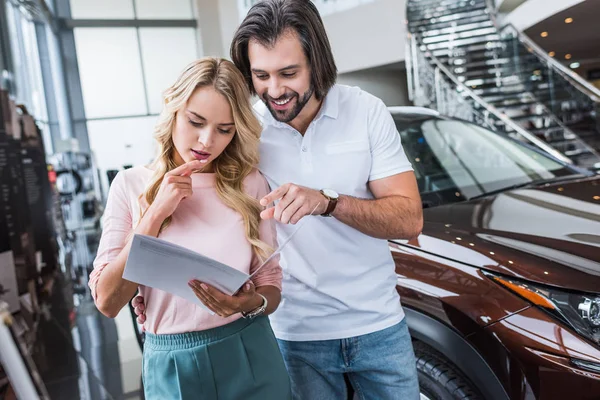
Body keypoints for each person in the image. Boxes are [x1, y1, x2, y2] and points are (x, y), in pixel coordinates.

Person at [136, 0, 424, 398]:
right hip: (293, 335)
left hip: (378, 325)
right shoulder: (244, 130)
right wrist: (152, 287)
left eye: (289, 73)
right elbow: (200, 200)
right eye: (261, 75)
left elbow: (409, 219)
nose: (275, 90)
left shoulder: (366, 111)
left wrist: (328, 201)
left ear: (317, 62)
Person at [89, 57, 292, 400]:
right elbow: (107, 302)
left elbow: (270, 286)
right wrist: (154, 215)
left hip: (251, 349)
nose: (206, 141)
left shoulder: (251, 184)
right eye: (195, 121)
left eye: (224, 129)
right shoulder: (130, 185)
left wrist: (248, 302)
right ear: (173, 111)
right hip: (172, 360)